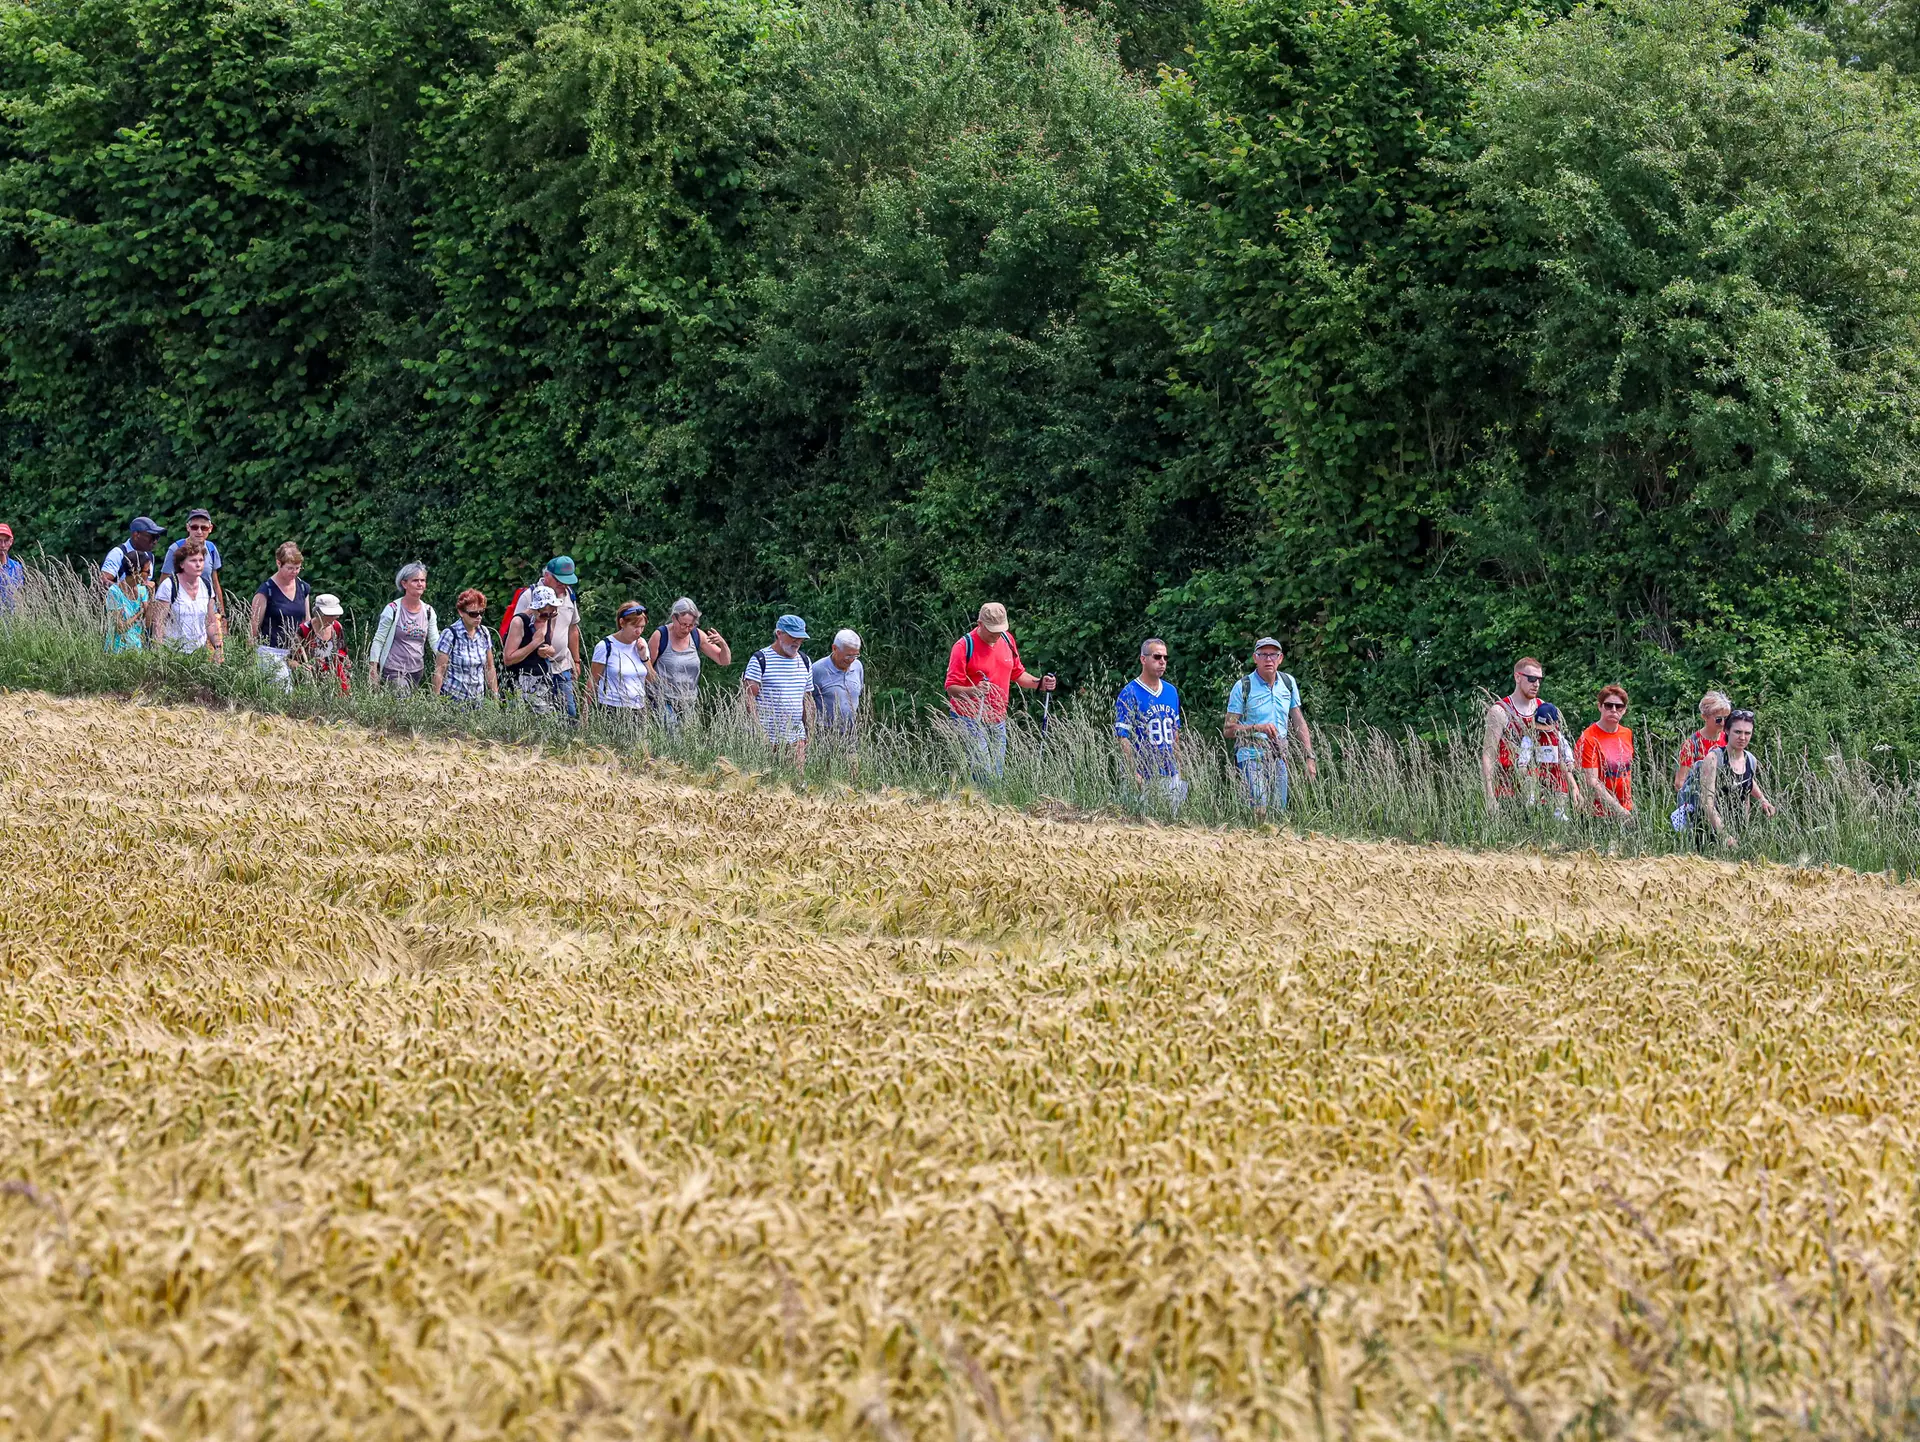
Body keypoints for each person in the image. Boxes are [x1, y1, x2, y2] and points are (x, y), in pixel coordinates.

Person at [943, 602, 1055, 780]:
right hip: (969, 717)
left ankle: (980, 797)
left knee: (996, 775)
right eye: (992, 631)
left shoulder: (1007, 640)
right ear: (980, 624)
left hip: (998, 718)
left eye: (1000, 630)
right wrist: (975, 690)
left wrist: (1040, 683)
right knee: (984, 774)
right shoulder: (963, 646)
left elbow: (1018, 674)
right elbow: (951, 688)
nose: (996, 635)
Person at [1224, 637, 1317, 819]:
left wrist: (1309, 757)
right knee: (1260, 808)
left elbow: (1299, 721)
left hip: (1279, 756)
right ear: (1255, 658)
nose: (1268, 659)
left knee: (1278, 812)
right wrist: (1257, 727)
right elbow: (1228, 729)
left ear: (1280, 658)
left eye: (1273, 655)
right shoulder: (1243, 686)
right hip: (1250, 755)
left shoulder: (1288, 683)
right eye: (1263, 654)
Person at [1115, 638, 1187, 812]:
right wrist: (1133, 772)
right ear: (1143, 659)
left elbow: (1174, 732)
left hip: (1169, 773)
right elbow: (1122, 736)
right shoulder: (1130, 692)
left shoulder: (1171, 691)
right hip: (1143, 773)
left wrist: (1180, 767)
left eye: (1165, 658)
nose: (1162, 662)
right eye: (1157, 657)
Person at [1692, 708, 1778, 850]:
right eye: (1737, 732)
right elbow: (1707, 802)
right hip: (1710, 834)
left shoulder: (1750, 760)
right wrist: (1724, 835)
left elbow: (1747, 781)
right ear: (1726, 730)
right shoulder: (1714, 759)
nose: (1742, 737)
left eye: (1747, 733)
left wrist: (1763, 800)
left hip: (1739, 830)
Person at [510, 557, 583, 720]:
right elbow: (517, 630)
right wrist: (536, 647)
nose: (564, 585)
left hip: (562, 665)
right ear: (547, 575)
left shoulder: (569, 595)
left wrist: (576, 661)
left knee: (569, 714)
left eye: (567, 581)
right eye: (560, 580)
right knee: (539, 717)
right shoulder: (529, 596)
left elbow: (573, 629)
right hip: (535, 670)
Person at [649, 596, 732, 729]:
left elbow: (724, 661)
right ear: (674, 618)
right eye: (683, 624)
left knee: (688, 737)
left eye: (691, 625)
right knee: (672, 735)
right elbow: (647, 667)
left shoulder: (697, 635)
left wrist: (722, 643)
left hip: (689, 701)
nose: (687, 629)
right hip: (663, 700)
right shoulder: (660, 635)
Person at [743, 614, 815, 766]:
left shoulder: (805, 661)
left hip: (796, 737)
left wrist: (809, 730)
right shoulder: (760, 659)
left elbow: (807, 699)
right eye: (793, 637)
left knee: (796, 778)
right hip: (767, 737)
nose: (797, 642)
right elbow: (749, 699)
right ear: (779, 634)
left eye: (801, 638)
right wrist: (759, 732)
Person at [368, 562, 439, 695]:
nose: (420, 584)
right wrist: (373, 669)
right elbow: (379, 640)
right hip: (393, 669)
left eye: (423, 580)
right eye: (415, 580)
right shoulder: (392, 609)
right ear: (404, 584)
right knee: (402, 697)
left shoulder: (428, 611)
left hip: (417, 670)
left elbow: (434, 640)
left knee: (409, 704)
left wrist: (443, 661)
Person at [248, 541, 311, 689]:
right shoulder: (266, 591)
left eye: (298, 568)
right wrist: (250, 658)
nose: (294, 572)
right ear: (278, 563)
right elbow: (253, 628)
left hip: (295, 652)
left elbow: (307, 621)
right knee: (284, 689)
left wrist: (306, 651)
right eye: (290, 568)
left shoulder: (303, 587)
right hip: (269, 651)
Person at [150, 538, 223, 661]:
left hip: (199, 653)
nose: (198, 564)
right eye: (193, 560)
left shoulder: (206, 586)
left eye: (201, 560)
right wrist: (159, 655)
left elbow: (210, 622)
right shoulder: (169, 586)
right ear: (182, 564)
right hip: (173, 653)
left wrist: (218, 648)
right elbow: (158, 623)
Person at [590, 601, 652, 731]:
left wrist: (644, 658)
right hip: (612, 709)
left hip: (639, 709)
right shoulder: (605, 646)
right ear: (622, 623)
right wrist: (585, 719)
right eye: (635, 626)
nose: (639, 631)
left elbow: (652, 680)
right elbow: (592, 683)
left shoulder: (641, 644)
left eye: (642, 627)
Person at [1577, 684, 1636, 821]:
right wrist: (1619, 810)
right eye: (1609, 705)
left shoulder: (1627, 733)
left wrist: (1626, 809)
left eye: (1619, 706)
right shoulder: (1588, 738)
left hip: (1626, 808)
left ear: (1624, 710)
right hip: (1597, 814)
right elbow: (1591, 781)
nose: (1614, 710)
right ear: (1600, 706)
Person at [503, 584, 564, 712]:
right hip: (519, 683)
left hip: (542, 682)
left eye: (552, 613)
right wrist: (534, 643)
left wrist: (550, 651)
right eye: (544, 615)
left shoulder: (550, 618)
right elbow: (508, 659)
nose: (547, 618)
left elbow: (549, 645)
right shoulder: (519, 622)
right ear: (535, 609)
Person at [435, 589, 498, 704]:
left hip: (478, 701)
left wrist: (495, 699)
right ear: (461, 612)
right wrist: (435, 701)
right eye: (473, 614)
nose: (478, 617)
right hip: (453, 699)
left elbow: (489, 667)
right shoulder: (450, 634)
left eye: (481, 613)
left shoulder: (484, 633)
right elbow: (440, 670)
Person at [160, 509, 226, 615]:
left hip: (208, 609)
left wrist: (222, 614)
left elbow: (215, 582)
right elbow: (164, 583)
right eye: (194, 527)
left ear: (210, 529)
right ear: (188, 527)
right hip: (181, 610)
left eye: (204, 528)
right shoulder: (175, 549)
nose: (199, 532)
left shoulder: (211, 549)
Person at [810, 629, 865, 744]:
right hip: (824, 733)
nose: (851, 660)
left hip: (852, 732)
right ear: (834, 648)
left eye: (855, 655)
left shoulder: (858, 666)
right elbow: (807, 701)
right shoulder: (817, 670)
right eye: (848, 655)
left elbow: (858, 694)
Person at [1673, 690, 1732, 794]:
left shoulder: (1729, 738)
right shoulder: (1692, 744)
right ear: (1704, 717)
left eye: (1726, 718)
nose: (1723, 723)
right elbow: (1679, 783)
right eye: (1718, 719)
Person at [296, 594, 351, 693]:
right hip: (311, 683)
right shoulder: (304, 630)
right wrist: (301, 667)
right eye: (330, 615)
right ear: (318, 613)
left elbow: (343, 653)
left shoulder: (337, 627)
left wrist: (345, 662)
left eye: (335, 615)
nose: (334, 618)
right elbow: (290, 659)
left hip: (336, 680)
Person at [103, 548, 152, 652]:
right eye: (147, 571)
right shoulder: (115, 592)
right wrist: (139, 613)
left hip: (136, 649)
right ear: (136, 572)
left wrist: (151, 595)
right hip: (117, 650)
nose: (149, 575)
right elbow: (120, 628)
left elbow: (148, 623)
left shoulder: (142, 590)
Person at [99, 516, 165, 588]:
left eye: (157, 537)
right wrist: (125, 589)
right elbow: (103, 581)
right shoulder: (118, 553)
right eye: (152, 537)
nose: (155, 542)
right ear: (136, 535)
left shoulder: (150, 556)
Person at [0, 522, 25, 612]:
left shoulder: (16, 567)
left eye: (6, 541)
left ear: (11, 542)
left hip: (11, 616)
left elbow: (19, 594)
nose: (2, 545)